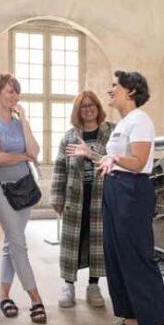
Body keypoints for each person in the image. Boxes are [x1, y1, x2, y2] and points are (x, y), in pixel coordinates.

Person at [69, 70, 164, 325]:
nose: (109, 89)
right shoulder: (124, 123)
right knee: (116, 256)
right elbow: (113, 159)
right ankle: (131, 320)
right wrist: (93, 155)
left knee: (138, 258)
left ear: (130, 90)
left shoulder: (140, 120)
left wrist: (114, 158)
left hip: (132, 190)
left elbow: (139, 162)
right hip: (115, 188)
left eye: (114, 85)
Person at [0, 73, 47, 324]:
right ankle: (36, 300)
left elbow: (35, 150)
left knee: (11, 242)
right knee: (19, 244)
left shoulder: (19, 123)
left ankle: (3, 296)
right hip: (0, 188)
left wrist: (25, 120)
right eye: (9, 91)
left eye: (16, 91)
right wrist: (24, 157)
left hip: (24, 187)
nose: (13, 96)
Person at [50, 91, 113, 308]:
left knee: (96, 242)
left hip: (101, 197)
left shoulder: (111, 133)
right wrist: (57, 197)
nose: (88, 109)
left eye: (91, 105)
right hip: (75, 197)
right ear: (78, 111)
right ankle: (68, 285)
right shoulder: (69, 137)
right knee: (72, 243)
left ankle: (93, 286)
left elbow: (113, 162)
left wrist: (90, 154)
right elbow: (59, 169)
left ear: (98, 107)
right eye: (83, 106)